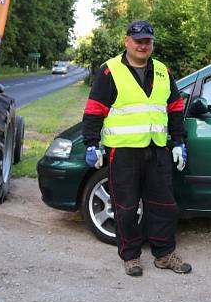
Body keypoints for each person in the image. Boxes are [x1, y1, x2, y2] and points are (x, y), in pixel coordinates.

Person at [81, 20, 192, 277]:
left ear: (152, 43)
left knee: (164, 205)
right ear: (126, 41)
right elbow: (94, 110)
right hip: (123, 152)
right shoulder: (109, 71)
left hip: (157, 150)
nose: (143, 45)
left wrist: (178, 142)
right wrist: (91, 143)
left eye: (148, 41)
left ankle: (164, 254)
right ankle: (130, 256)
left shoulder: (163, 71)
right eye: (138, 40)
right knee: (127, 207)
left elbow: (174, 108)